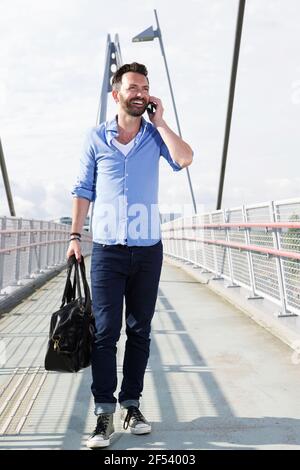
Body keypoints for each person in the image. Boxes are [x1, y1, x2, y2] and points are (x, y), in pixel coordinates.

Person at [67, 62, 193, 449]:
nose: (140, 92)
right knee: (105, 333)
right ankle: (103, 414)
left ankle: (132, 405)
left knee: (139, 331)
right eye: (133, 87)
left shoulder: (154, 137)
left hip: (147, 248)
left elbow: (185, 158)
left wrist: (162, 122)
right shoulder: (96, 138)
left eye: (145, 88)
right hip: (106, 249)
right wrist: (75, 235)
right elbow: (83, 188)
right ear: (116, 94)